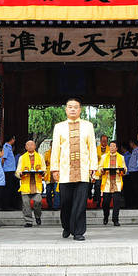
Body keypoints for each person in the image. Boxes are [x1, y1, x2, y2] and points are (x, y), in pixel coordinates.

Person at [51, 97, 98, 241]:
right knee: (65, 202)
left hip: (83, 170)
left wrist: (93, 167)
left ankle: (78, 231)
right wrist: (54, 168)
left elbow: (92, 148)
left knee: (80, 202)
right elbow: (55, 150)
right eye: (70, 106)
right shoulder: (59, 127)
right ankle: (66, 226)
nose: (72, 109)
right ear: (66, 109)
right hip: (65, 171)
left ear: (80, 109)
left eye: (75, 107)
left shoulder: (88, 126)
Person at [95, 140, 127, 226]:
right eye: (111, 146)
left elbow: (125, 169)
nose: (112, 148)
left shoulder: (121, 157)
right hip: (107, 182)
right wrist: (101, 170)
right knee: (105, 202)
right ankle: (106, 216)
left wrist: (122, 171)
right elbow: (99, 168)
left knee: (117, 202)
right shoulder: (104, 156)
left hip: (117, 182)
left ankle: (115, 219)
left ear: (116, 148)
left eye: (114, 146)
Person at [16, 140, 44, 227]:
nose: (30, 146)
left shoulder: (40, 156)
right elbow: (18, 171)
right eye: (28, 145)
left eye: (32, 145)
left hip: (36, 184)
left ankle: (38, 216)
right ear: (26, 147)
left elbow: (44, 169)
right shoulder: (22, 158)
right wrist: (20, 173)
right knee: (26, 203)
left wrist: (42, 173)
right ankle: (28, 221)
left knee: (38, 201)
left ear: (35, 146)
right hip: (26, 184)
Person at [92, 134, 109, 208]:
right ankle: (98, 201)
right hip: (98, 172)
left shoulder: (110, 149)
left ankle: (106, 202)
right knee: (97, 186)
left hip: (107, 171)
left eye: (105, 141)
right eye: (103, 141)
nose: (104, 142)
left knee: (106, 187)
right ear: (100, 141)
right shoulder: (96, 149)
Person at [1, 134, 17, 210]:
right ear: (11, 139)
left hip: (10, 171)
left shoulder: (9, 147)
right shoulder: (6, 147)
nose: (14, 140)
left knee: (10, 188)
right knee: (7, 188)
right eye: (14, 139)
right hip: (7, 171)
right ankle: (5, 205)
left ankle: (9, 204)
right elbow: (3, 159)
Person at [44, 145, 60, 210]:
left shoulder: (60, 153)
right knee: (48, 191)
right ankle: (50, 205)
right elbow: (44, 163)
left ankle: (56, 206)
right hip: (49, 175)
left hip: (57, 173)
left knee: (57, 191)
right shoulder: (47, 153)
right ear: (50, 145)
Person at [126, 139, 138, 208]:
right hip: (131, 171)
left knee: (136, 188)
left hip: (135, 171)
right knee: (132, 188)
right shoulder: (133, 151)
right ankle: (133, 203)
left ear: (133, 143)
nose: (130, 145)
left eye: (130, 143)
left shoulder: (137, 150)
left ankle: (137, 203)